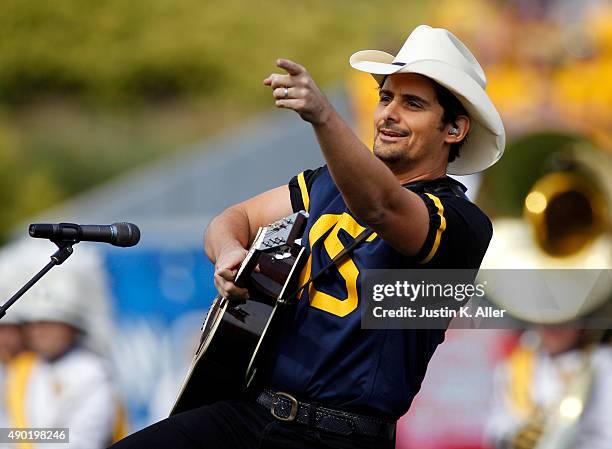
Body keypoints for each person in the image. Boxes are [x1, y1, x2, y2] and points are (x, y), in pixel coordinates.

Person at [110, 24, 505, 449]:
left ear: (455, 129)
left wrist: (324, 116)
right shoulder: (326, 184)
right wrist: (230, 254)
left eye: (413, 104)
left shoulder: (463, 222)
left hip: (340, 437)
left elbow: (381, 207)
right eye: (385, 97)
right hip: (250, 413)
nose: (389, 113)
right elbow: (235, 217)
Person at [3, 266, 127, 449]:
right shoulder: (22, 368)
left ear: (72, 327)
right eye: (32, 324)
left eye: (49, 324)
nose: (38, 332)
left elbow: (82, 441)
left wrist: (16, 437)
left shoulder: (94, 373)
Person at [485, 328, 612, 449]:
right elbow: (496, 428)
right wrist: (516, 436)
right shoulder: (515, 364)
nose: (554, 328)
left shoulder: (602, 362)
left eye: (564, 321)